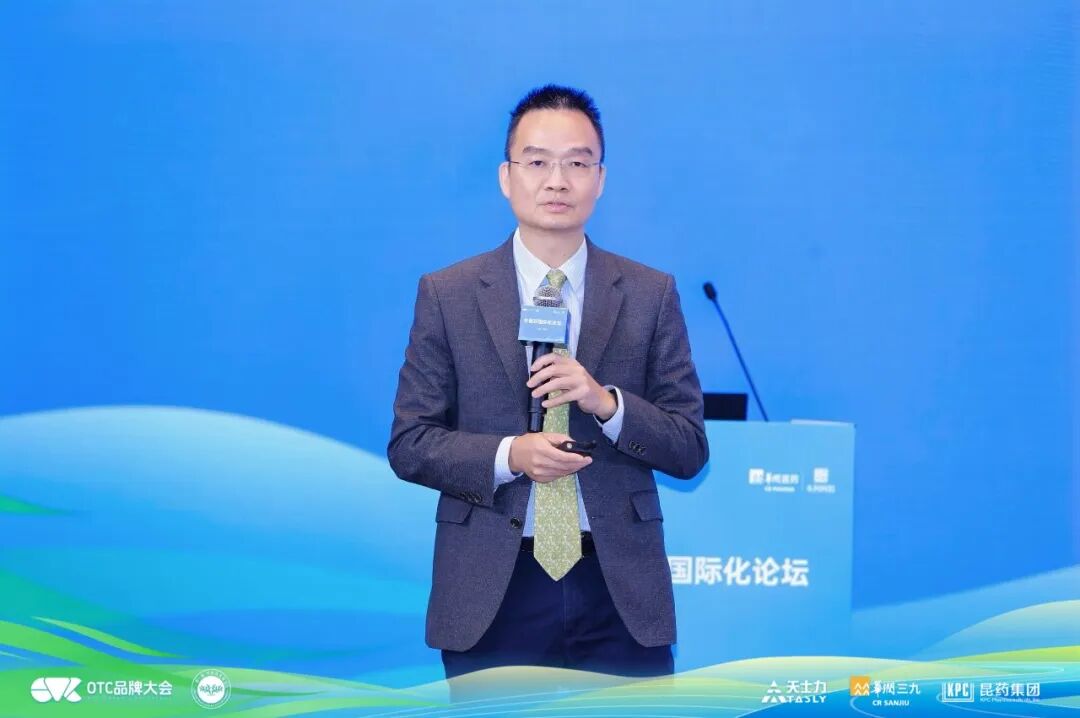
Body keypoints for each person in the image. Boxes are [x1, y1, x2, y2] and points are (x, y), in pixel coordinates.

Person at [387, 85, 708, 690]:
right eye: (537, 162)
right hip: (492, 587)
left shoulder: (649, 294)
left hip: (617, 586)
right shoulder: (448, 294)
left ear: (600, 179)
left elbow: (689, 448)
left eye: (577, 163)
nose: (557, 181)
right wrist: (511, 456)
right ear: (506, 177)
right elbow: (410, 443)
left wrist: (605, 404)